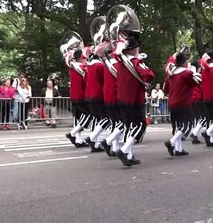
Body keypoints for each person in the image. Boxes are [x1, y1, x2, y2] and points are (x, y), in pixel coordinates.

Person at [113, 35, 155, 167]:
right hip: (134, 98)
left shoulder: (120, 61)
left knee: (129, 127)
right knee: (140, 126)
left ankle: (129, 156)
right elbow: (148, 75)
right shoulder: (135, 61)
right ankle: (125, 150)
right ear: (132, 50)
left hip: (122, 98)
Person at [164, 53, 201, 157]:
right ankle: (171, 142)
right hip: (183, 102)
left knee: (178, 126)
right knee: (187, 125)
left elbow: (165, 88)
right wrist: (194, 71)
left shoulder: (171, 74)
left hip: (172, 102)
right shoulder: (186, 73)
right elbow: (198, 81)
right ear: (184, 62)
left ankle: (178, 149)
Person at [84, 51, 109, 152]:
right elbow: (106, 79)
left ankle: (94, 143)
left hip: (89, 94)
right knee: (106, 118)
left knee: (95, 118)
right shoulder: (100, 66)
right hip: (98, 95)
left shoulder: (88, 67)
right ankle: (92, 137)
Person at [65, 49, 91, 148]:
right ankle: (72, 133)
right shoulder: (81, 66)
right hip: (81, 95)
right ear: (81, 57)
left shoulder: (72, 66)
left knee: (78, 117)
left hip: (74, 95)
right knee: (89, 116)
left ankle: (78, 139)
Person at [189, 61, 206, 144]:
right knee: (204, 118)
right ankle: (194, 133)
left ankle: (195, 135)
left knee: (196, 118)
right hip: (198, 99)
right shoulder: (199, 76)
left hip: (190, 99)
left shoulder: (189, 76)